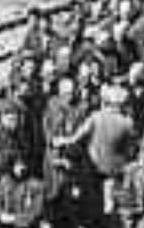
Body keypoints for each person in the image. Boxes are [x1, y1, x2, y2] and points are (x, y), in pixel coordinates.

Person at [53, 85, 139, 216]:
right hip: (114, 169)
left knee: (92, 202)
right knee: (109, 204)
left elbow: (76, 138)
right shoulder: (127, 123)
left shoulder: (96, 117)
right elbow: (130, 149)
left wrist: (62, 140)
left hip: (93, 166)